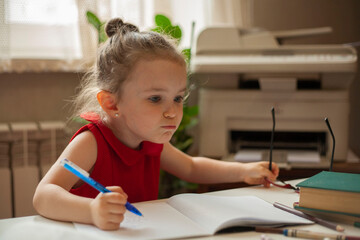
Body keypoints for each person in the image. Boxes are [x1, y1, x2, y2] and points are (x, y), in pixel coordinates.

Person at [33, 18, 279, 230]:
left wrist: (243, 171)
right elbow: (43, 196)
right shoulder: (91, 142)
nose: (172, 112)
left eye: (178, 98)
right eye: (155, 99)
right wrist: (92, 210)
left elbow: (191, 168)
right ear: (111, 104)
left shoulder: (149, 140)